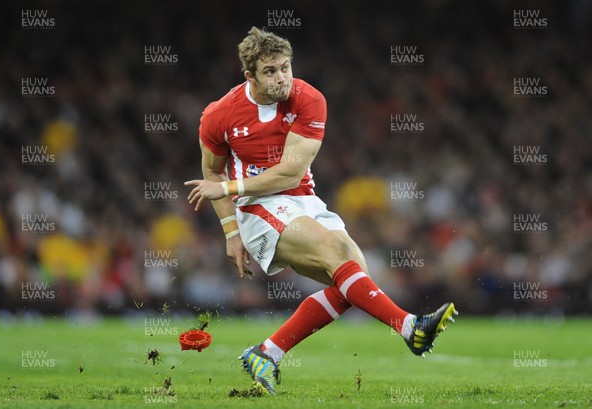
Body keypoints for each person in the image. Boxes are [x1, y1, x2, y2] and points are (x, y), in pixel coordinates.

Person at [185, 26, 457, 395]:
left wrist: (228, 187)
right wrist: (232, 233)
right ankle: (411, 328)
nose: (282, 78)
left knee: (352, 276)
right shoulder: (219, 115)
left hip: (303, 199)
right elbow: (212, 172)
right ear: (249, 75)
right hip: (256, 208)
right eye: (270, 71)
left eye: (285, 67)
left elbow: (291, 171)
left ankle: (267, 353)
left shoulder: (308, 99)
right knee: (340, 260)